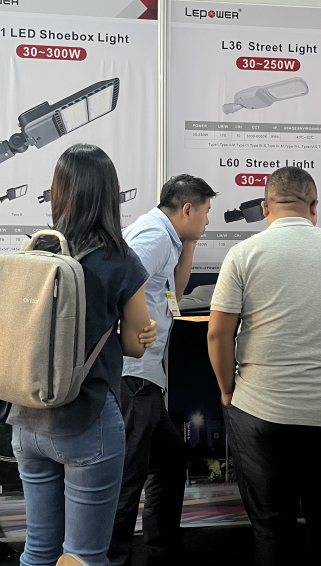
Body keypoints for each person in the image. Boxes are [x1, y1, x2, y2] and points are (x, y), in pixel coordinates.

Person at [206, 166, 321, 565]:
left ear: (265, 208)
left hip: (258, 408)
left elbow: (218, 334)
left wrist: (227, 391)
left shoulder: (243, 254)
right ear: (314, 207)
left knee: (271, 522)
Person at [6, 143, 158, 566]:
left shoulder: (37, 250)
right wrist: (142, 335)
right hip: (87, 419)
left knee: (38, 550)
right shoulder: (121, 260)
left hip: (27, 420)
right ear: (110, 194)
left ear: (59, 192)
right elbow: (132, 345)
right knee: (84, 556)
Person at [108, 174, 217, 566]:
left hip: (144, 377)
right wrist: (129, 334)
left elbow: (176, 293)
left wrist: (191, 243)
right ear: (187, 209)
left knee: (169, 460)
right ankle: (114, 557)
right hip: (132, 376)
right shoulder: (153, 236)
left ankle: (162, 548)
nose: (208, 221)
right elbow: (118, 283)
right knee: (127, 477)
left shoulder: (168, 238)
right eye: (205, 212)